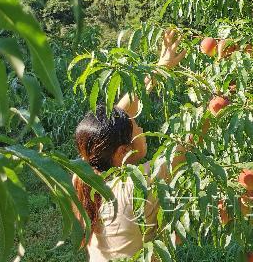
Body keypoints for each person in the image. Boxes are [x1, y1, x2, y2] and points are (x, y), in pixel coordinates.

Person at [72, 30, 188, 261]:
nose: (142, 129)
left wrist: (160, 68)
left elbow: (114, 120)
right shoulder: (141, 182)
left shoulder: (82, 175)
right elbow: (188, 142)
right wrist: (219, 102)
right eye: (137, 129)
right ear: (123, 152)